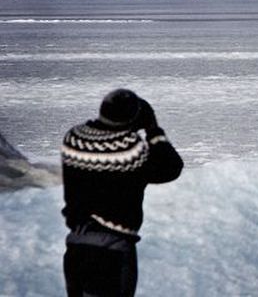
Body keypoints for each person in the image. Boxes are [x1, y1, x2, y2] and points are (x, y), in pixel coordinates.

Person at [61, 89, 183, 297]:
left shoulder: (74, 137)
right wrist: (153, 129)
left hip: (76, 247)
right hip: (112, 253)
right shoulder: (130, 149)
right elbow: (170, 168)